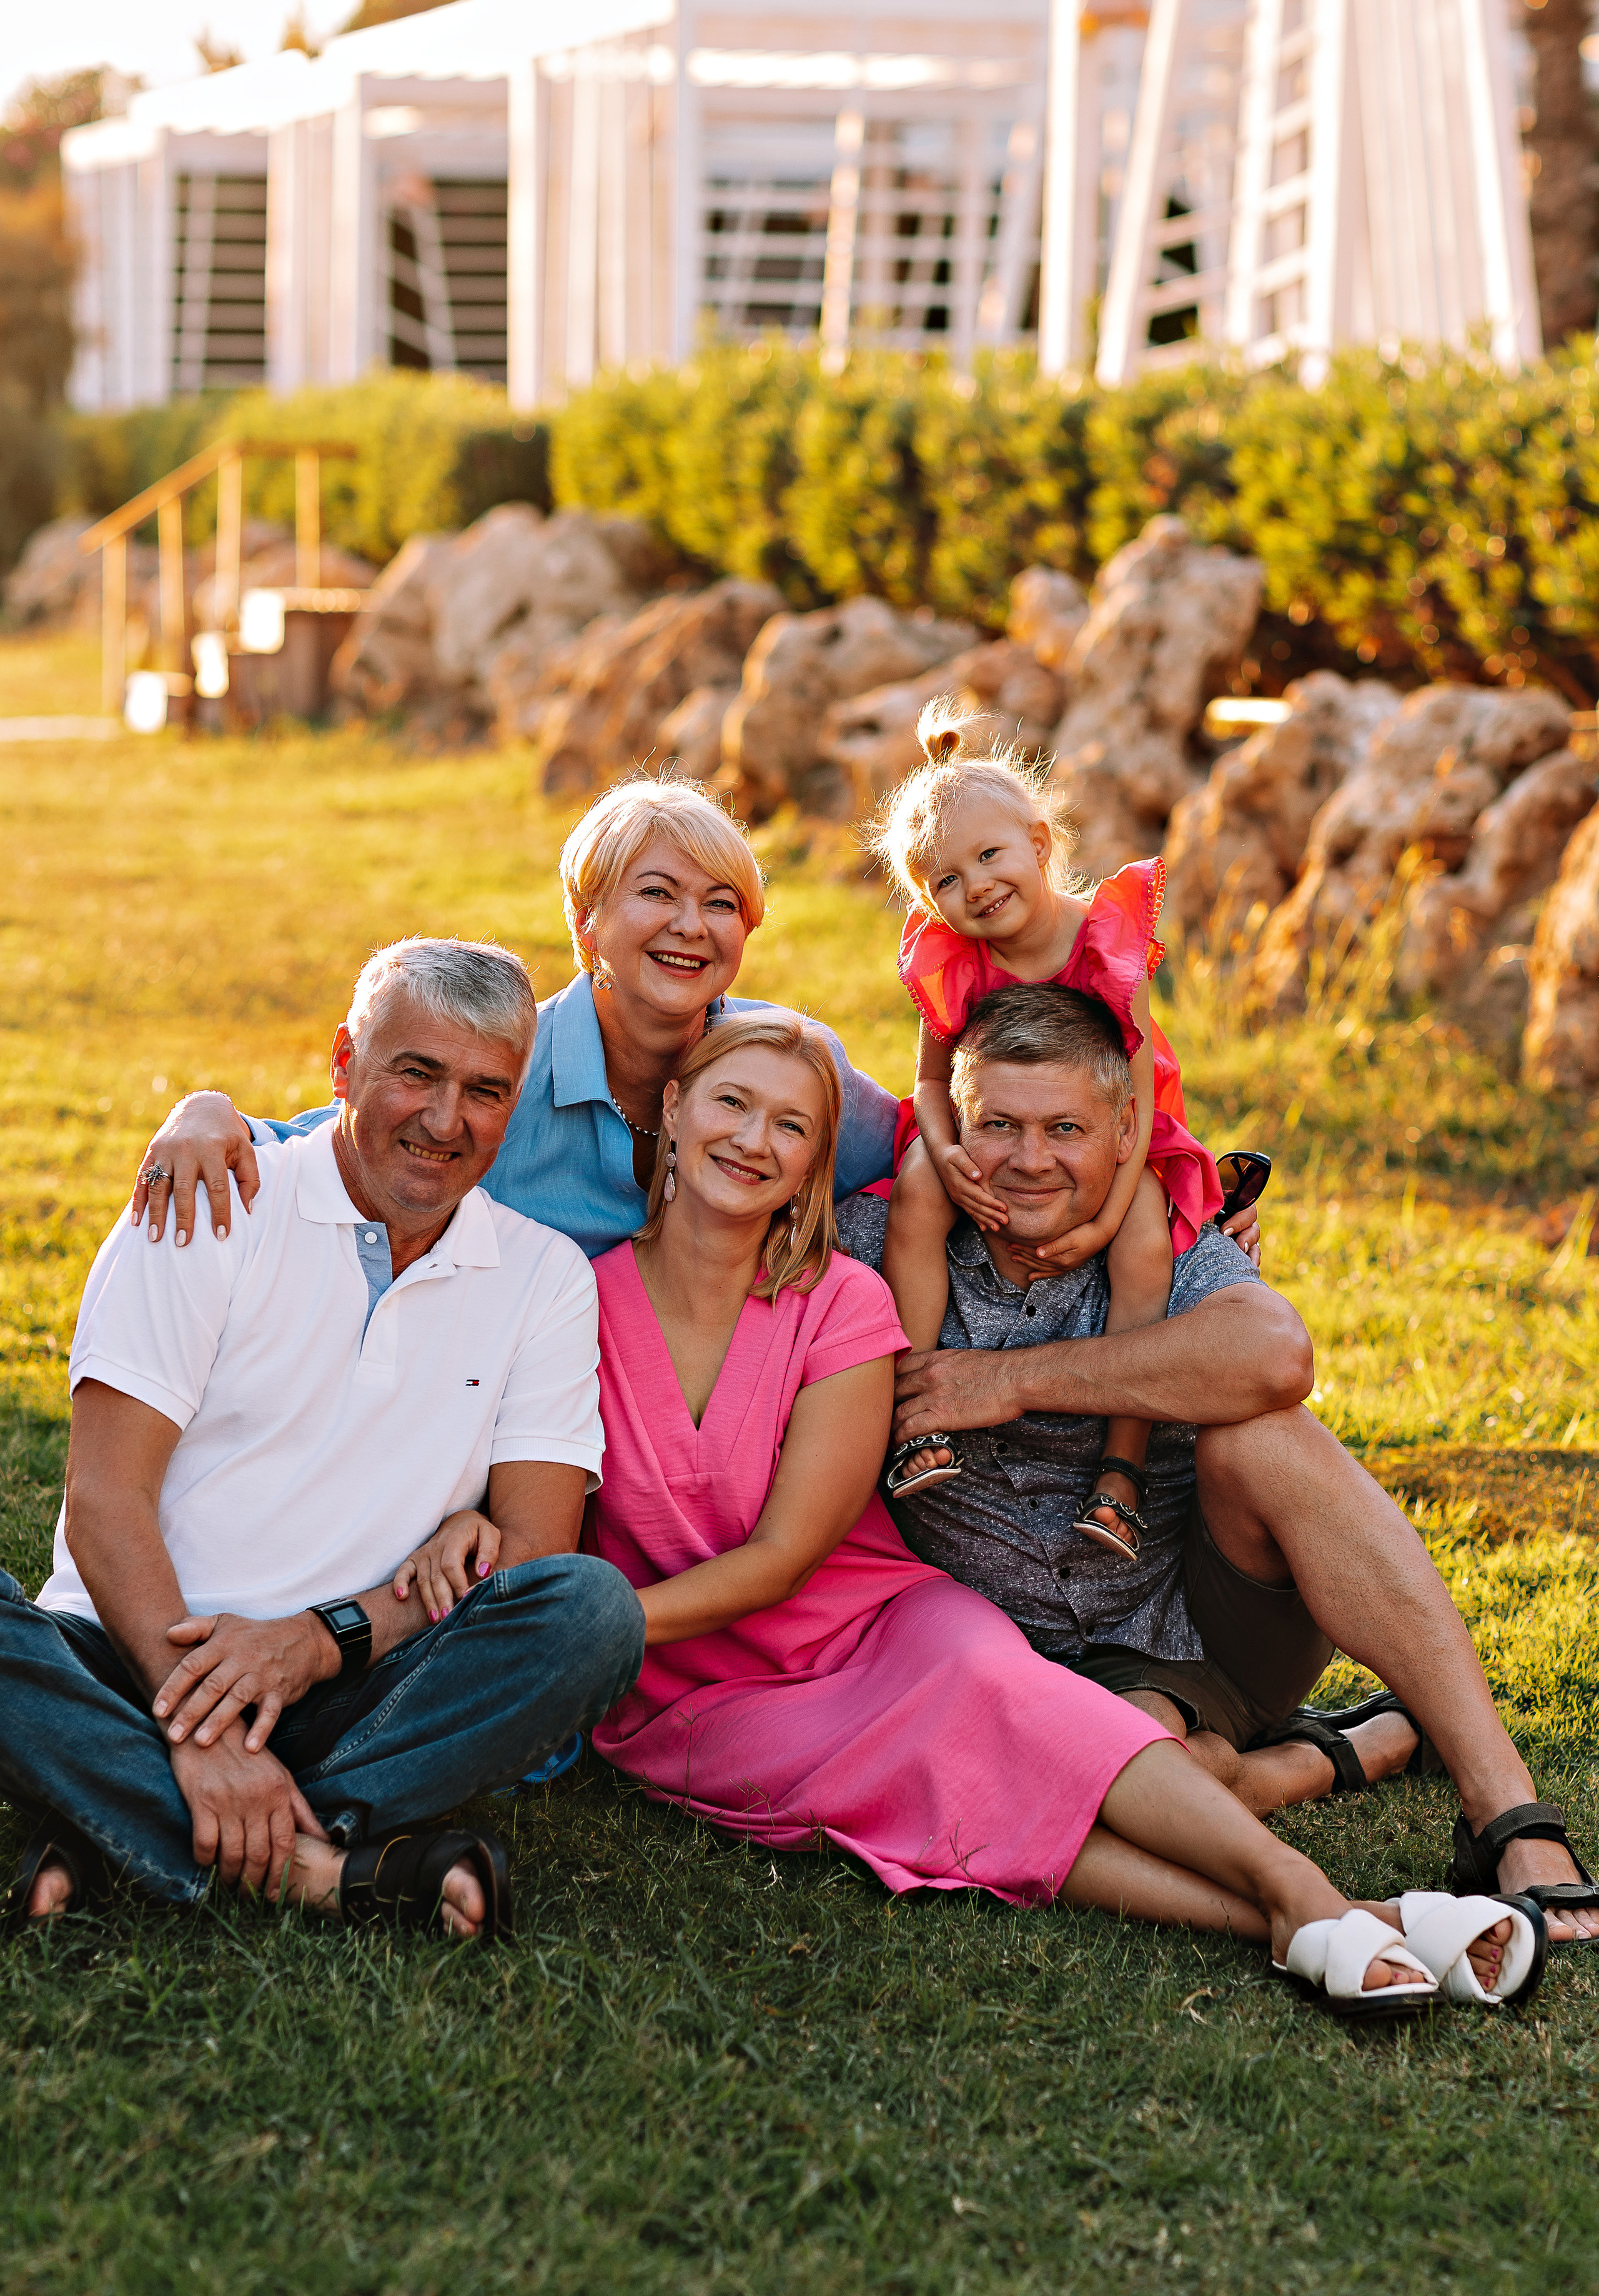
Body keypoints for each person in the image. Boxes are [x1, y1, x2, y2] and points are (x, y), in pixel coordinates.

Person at [402, 1008, 1534, 2011]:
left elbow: (795, 1556)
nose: (754, 1141)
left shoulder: (844, 1294)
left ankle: (1332, 1884)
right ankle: (1336, 1912)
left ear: (817, 1166)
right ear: (678, 1109)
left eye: (791, 1127)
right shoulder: (573, 1297)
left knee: (1002, 1697)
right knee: (950, 1783)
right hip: (694, 1687)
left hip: (885, 1617)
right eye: (733, 1105)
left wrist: (584, 1629)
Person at [838, 980, 1599, 1947]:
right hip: (1017, 1670)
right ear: (950, 1125)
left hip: (1206, 1626)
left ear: (1125, 1133)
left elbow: (1277, 1354)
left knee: (1263, 1428)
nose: (1029, 1162)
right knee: (1134, 1786)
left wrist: (1011, 1382)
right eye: (997, 1125)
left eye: (1065, 1128)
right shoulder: (874, 1247)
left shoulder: (1169, 1238)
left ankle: (1505, 1810)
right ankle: (1327, 1757)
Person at [0, 939, 643, 1939]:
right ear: (343, 1063)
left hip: (355, 1682)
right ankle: (321, 1865)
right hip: (124, 1649)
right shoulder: (211, 1200)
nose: (445, 1121)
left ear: (513, 1106)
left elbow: (533, 1554)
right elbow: (103, 1502)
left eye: (484, 1090)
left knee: (591, 1614)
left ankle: (109, 1809)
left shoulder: (546, 1279)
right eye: (416, 1073)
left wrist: (319, 1641)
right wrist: (201, 1723)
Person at [127, 780, 898, 1260]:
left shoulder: (799, 1064)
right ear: (586, 922)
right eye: (657, 893)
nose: (691, 925)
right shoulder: (506, 1067)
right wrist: (204, 1112)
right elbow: (338, 1140)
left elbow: (917, 1152)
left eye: (720, 903)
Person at [864, 705, 1225, 1559]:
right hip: (986, 1127)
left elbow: (1137, 1096)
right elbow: (927, 1075)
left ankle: (1122, 1467)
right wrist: (947, 1154)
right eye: (945, 881)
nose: (976, 888)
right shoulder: (954, 954)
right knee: (916, 1186)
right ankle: (916, 1414)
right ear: (927, 901)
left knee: (1142, 1238)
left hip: (1116, 1130)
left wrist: (1102, 1220)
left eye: (989, 856)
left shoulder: (1103, 938)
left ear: (1038, 842)